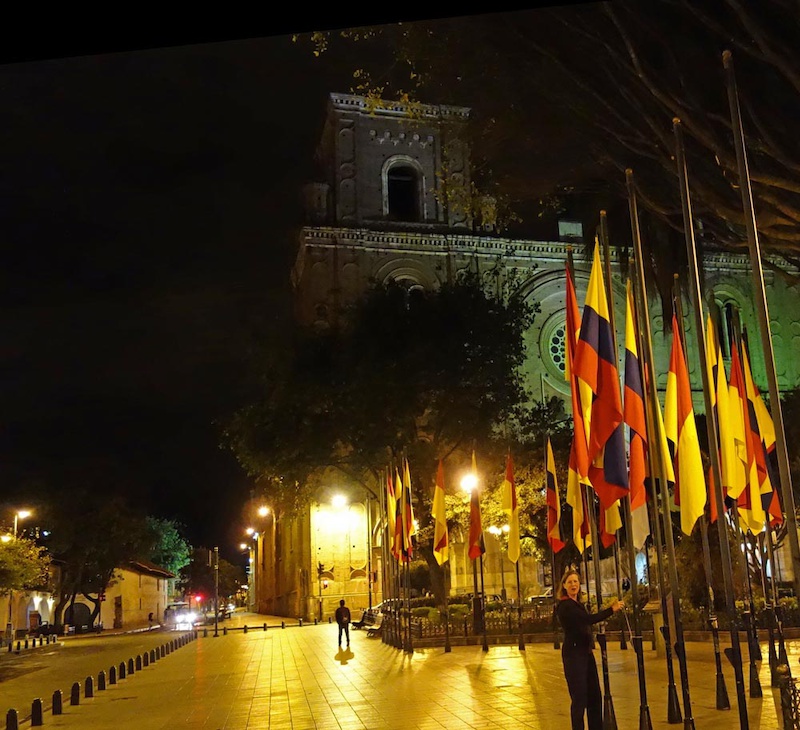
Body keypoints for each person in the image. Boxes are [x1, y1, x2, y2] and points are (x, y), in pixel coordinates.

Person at [555, 569, 623, 730]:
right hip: (574, 656)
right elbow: (587, 620)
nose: (573, 585)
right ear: (564, 585)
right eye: (570, 582)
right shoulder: (565, 606)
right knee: (579, 699)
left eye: (576, 581)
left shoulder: (578, 604)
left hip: (586, 654)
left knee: (594, 696)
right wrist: (611, 610)